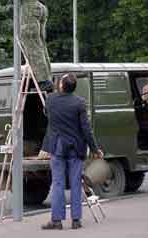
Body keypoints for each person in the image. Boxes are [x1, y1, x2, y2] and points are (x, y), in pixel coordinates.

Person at [41, 73, 104, 230]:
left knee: (58, 183)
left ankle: (56, 221)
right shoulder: (79, 103)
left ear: (61, 85)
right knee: (76, 183)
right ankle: (76, 220)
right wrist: (95, 149)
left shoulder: (51, 100)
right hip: (76, 148)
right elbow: (86, 130)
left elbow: (46, 113)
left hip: (57, 147)